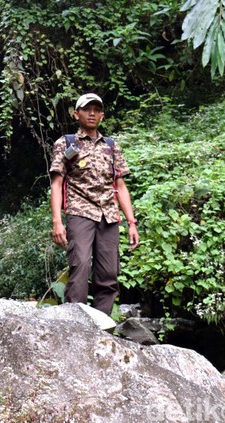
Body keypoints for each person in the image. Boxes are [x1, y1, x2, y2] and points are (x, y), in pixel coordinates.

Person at [49, 93, 139, 316]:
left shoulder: (111, 146)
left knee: (108, 273)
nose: (92, 113)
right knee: (80, 265)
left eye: (97, 110)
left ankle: (102, 325)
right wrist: (57, 222)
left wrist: (131, 222)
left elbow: (120, 184)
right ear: (76, 114)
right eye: (87, 109)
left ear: (102, 115)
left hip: (108, 214)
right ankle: (75, 321)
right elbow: (57, 183)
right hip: (80, 211)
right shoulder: (66, 143)